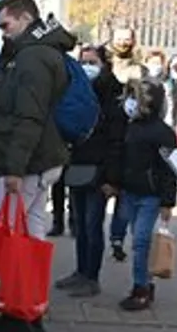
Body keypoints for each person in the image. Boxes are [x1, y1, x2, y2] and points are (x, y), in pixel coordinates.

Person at [0, 0, 76, 332]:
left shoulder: (31, 58)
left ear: (25, 18)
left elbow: (29, 117)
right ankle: (31, 307)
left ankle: (13, 313)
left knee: (4, 234)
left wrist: (14, 168)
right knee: (30, 237)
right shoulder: (35, 53)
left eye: (7, 25)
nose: (3, 33)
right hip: (42, 158)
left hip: (26, 163)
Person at [53, 44, 125, 298]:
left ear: (105, 64)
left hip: (99, 170)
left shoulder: (113, 97)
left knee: (93, 226)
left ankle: (91, 277)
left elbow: (117, 142)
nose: (87, 67)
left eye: (92, 62)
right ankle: (81, 271)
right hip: (78, 164)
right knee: (81, 225)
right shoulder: (78, 91)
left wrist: (111, 178)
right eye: (83, 61)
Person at [113, 81, 177, 311]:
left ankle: (142, 287)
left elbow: (169, 171)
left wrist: (168, 201)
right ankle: (143, 284)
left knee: (141, 241)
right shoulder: (132, 127)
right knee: (139, 241)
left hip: (150, 195)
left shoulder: (162, 133)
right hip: (131, 191)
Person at [105, 27, 145, 262]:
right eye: (119, 39)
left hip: (130, 134)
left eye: (127, 39)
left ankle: (117, 237)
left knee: (125, 192)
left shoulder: (139, 70)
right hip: (107, 133)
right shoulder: (105, 65)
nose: (123, 42)